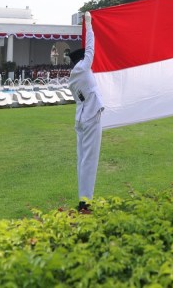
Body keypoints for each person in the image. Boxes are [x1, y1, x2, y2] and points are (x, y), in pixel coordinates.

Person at [68, 12, 103, 213]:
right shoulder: (83, 68)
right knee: (90, 160)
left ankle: (83, 197)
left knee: (82, 159)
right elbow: (91, 47)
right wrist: (89, 24)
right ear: (81, 60)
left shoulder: (74, 76)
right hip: (91, 117)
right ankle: (85, 202)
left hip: (81, 117)